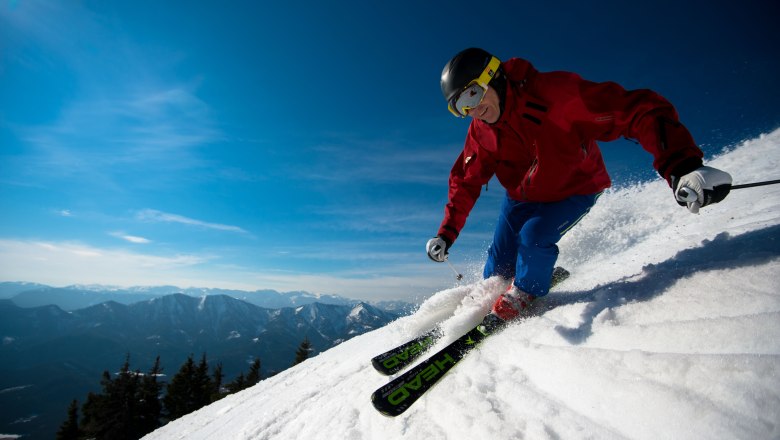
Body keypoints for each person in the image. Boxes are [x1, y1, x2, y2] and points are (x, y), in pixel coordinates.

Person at [426, 48, 733, 323]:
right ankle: (499, 287)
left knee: (533, 239)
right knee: (498, 267)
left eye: (472, 95)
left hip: (574, 190)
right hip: (521, 198)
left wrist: (682, 166)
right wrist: (446, 232)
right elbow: (465, 181)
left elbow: (638, 111)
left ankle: (526, 293)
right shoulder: (481, 131)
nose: (471, 110)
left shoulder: (556, 96)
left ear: (493, 77)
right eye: (459, 107)